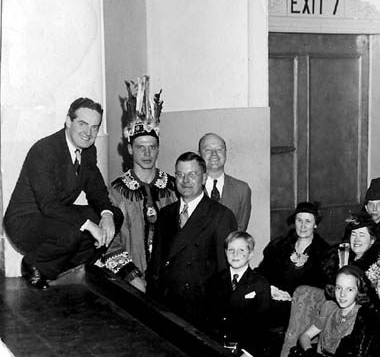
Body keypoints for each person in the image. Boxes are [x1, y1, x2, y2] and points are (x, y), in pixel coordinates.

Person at [4, 97, 123, 290]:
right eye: (82, 124)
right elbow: (49, 204)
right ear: (68, 121)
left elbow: (97, 190)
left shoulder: (88, 150)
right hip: (25, 222)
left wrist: (107, 215)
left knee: (115, 215)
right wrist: (88, 225)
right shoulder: (44, 150)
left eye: (94, 127)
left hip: (56, 216)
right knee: (72, 233)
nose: (88, 133)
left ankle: (71, 267)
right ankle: (34, 265)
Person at [100, 77, 176, 292]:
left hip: (170, 282)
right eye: (140, 147)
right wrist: (133, 277)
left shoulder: (173, 187)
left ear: (158, 148)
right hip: (131, 283)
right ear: (129, 149)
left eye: (152, 147)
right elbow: (110, 241)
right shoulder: (117, 191)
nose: (147, 153)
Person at [147, 152, 238, 326]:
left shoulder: (220, 216)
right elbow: (156, 266)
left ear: (203, 178)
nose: (185, 180)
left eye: (192, 174)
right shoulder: (165, 214)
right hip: (166, 308)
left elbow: (225, 272)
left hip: (202, 312)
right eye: (180, 174)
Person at [281, 265, 368, 357]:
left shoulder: (361, 316)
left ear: (359, 291)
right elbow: (305, 336)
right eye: (339, 288)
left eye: (349, 289)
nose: (342, 294)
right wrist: (310, 352)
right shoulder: (329, 308)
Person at [204, 231, 272, 357]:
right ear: (225, 252)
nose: (235, 255)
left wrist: (247, 355)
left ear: (250, 254)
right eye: (231, 250)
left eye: (241, 250)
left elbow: (263, 324)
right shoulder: (214, 281)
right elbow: (207, 317)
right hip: (217, 347)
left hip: (246, 352)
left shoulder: (260, 284)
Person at [256, 201, 330, 300]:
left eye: (308, 221)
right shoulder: (277, 247)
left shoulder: (325, 252)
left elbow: (323, 288)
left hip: (307, 305)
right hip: (276, 302)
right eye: (299, 220)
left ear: (315, 224)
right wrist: (273, 291)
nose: (303, 225)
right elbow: (263, 274)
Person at [198, 132, 252, 231]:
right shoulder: (190, 187)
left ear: (225, 153)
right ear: (199, 154)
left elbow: (240, 231)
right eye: (208, 150)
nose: (214, 154)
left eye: (219, 149)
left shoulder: (242, 190)